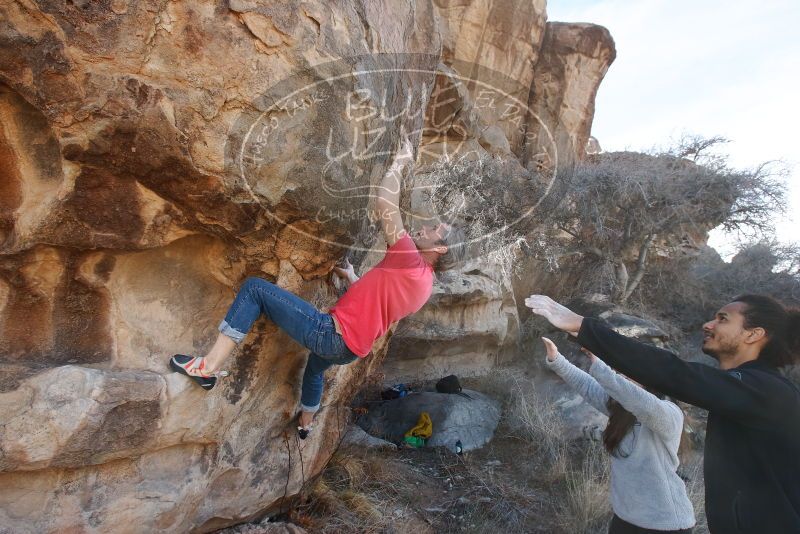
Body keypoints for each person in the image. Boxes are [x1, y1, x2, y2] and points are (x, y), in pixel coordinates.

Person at [169, 137, 465, 436]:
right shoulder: (424, 283)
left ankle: (207, 368)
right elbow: (382, 304)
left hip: (331, 334)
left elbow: (385, 203)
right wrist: (352, 278)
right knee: (314, 370)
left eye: (434, 230)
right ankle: (307, 423)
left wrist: (400, 161)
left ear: (440, 250)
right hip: (350, 350)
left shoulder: (410, 260)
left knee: (255, 289)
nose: (426, 227)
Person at [526, 294, 800, 533]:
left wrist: (584, 327)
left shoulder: (767, 390)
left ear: (754, 335)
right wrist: (559, 359)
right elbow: (601, 390)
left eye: (723, 319)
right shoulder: (746, 391)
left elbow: (675, 373)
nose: (709, 324)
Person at [541, 336, 695, 533]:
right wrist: (557, 360)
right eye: (623, 370)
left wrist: (601, 368)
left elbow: (641, 403)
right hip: (626, 518)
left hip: (665, 523)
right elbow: (588, 387)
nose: (623, 375)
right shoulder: (622, 409)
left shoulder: (669, 413)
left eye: (630, 372)